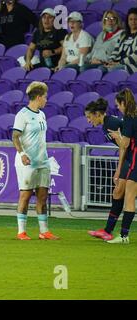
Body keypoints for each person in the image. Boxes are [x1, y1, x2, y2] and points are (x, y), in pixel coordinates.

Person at [12, 81, 59, 241]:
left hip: (42, 162)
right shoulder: (22, 115)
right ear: (38, 97)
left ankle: (44, 231)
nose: (46, 100)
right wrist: (22, 153)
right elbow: (15, 137)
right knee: (25, 195)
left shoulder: (41, 114)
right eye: (45, 97)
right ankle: (21, 232)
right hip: (27, 162)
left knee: (42, 196)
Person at [85, 98, 126, 241]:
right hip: (131, 157)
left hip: (132, 158)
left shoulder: (111, 124)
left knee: (119, 193)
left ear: (97, 114)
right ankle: (107, 231)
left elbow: (123, 146)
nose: (89, 121)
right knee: (118, 193)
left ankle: (115, 233)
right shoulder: (107, 123)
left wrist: (119, 169)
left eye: (89, 117)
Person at [107, 89, 137, 244]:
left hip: (135, 161)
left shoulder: (129, 118)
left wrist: (117, 136)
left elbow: (124, 145)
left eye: (118, 105)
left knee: (130, 198)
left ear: (124, 103)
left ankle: (124, 236)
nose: (117, 108)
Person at [104, 8, 137, 74]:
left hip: (131, 65)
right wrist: (110, 61)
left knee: (111, 70)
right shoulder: (123, 34)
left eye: (136, 19)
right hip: (118, 63)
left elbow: (136, 56)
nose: (133, 22)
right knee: (102, 68)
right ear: (127, 21)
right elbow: (116, 50)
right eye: (130, 19)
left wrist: (119, 63)